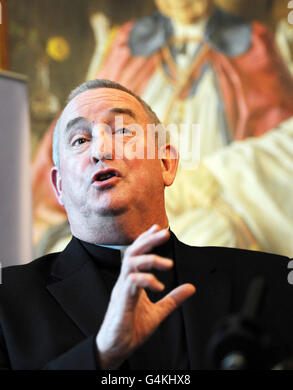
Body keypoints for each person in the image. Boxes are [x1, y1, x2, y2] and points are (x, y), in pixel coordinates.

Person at [1, 79, 293, 370]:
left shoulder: (272, 281)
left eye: (123, 131)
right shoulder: (9, 301)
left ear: (166, 163)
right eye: (80, 140)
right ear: (59, 185)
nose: (101, 151)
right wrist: (100, 354)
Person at [32, 0, 293, 254]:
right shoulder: (129, 44)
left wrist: (215, 177)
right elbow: (84, 114)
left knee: (205, 243)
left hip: (212, 201)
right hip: (127, 199)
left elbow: (279, 145)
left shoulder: (253, 45)